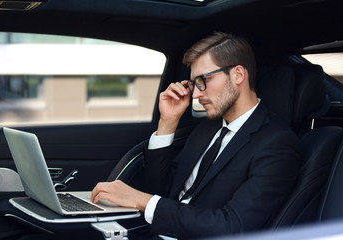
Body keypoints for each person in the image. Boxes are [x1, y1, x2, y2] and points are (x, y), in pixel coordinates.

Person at [91, 32, 300, 239]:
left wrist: (143, 201)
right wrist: (168, 123)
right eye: (194, 84)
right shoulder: (206, 129)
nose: (197, 94)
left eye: (204, 80)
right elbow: (161, 191)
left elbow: (232, 226)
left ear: (238, 74)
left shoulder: (277, 144)